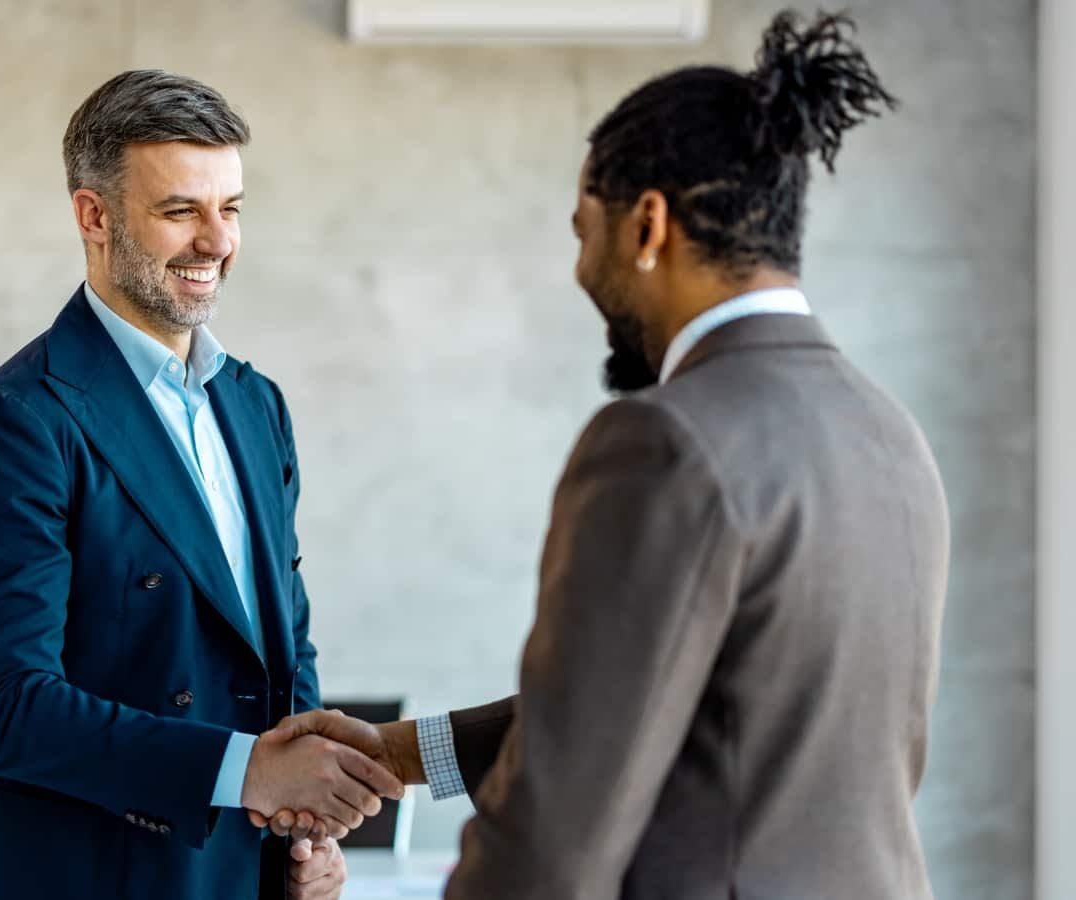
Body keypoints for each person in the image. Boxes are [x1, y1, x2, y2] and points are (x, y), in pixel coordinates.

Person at [255, 10, 949, 899]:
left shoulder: (667, 441)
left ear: (648, 226)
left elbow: (554, 831)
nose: (583, 269)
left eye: (585, 230)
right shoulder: (886, 430)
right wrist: (400, 752)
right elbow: (684, 707)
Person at [0, 70, 400, 900]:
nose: (217, 241)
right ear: (93, 216)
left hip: (234, 872)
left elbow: (283, 641)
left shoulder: (257, 406)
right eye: (181, 211)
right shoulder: (12, 422)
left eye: (233, 208)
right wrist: (252, 773)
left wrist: (301, 832)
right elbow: (4, 707)